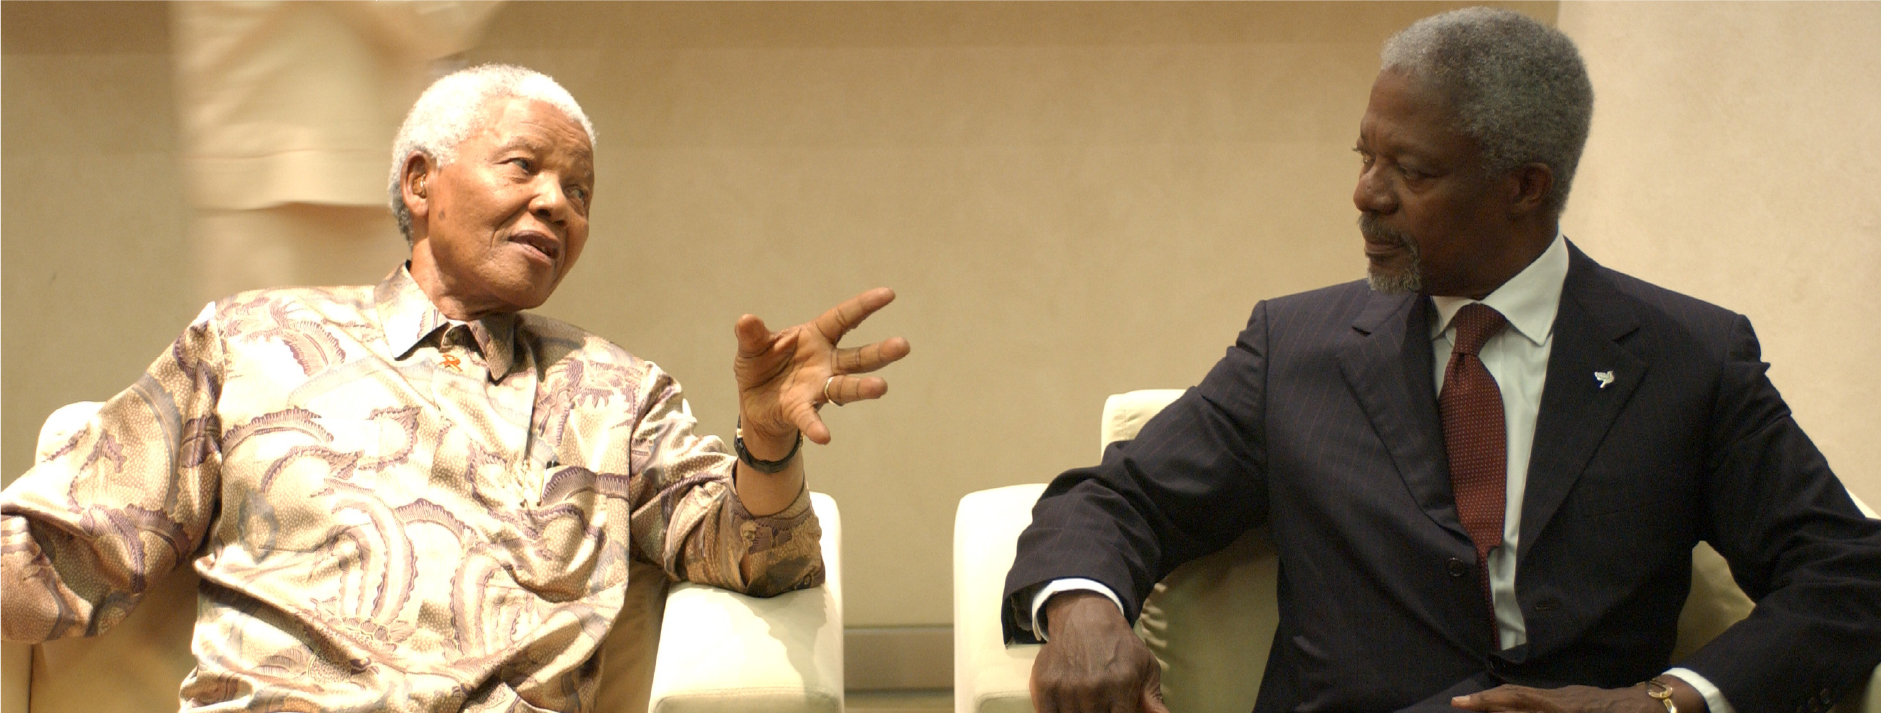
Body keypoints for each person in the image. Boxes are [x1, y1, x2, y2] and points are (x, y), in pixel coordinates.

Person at [1002, 8, 1878, 713]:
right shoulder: (1295, 349)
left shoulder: (1689, 357)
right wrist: (1083, 608)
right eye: (1365, 156)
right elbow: (1119, 500)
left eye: (1410, 170)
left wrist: (1660, 703)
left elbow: (1848, 572)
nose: (1365, 194)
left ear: (1523, 186)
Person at [0, 64, 910, 710]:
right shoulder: (251, 341)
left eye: (581, 191)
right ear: (421, 180)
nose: (558, 203)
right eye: (526, 167)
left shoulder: (616, 393)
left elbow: (763, 558)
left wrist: (768, 439)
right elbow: (60, 552)